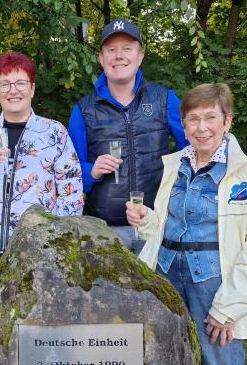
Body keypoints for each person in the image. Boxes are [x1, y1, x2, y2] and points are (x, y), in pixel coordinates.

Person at [127, 83, 247, 365]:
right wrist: (146, 220)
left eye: (210, 117)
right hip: (165, 276)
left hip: (216, 285)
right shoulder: (174, 166)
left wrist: (230, 307)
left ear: (227, 121)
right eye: (193, 119)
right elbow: (170, 228)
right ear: (183, 125)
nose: (201, 127)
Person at [0, 51, 84, 296]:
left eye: (20, 83)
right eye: (5, 84)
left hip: (40, 249)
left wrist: (55, 238)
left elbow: (72, 193)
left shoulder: (54, 132)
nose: (13, 90)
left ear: (32, 88)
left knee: (39, 324)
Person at [68, 17, 188, 251]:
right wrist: (91, 171)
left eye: (127, 49)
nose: (119, 56)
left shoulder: (164, 99)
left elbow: (194, 150)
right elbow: (68, 173)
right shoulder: (83, 110)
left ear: (140, 56)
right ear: (101, 58)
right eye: (111, 50)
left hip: (156, 225)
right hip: (104, 231)